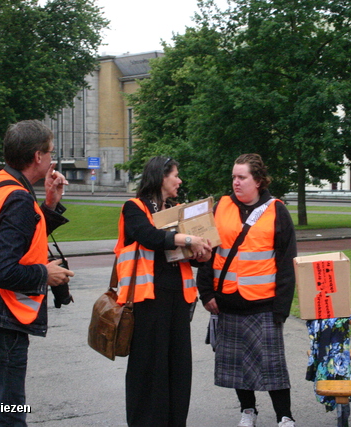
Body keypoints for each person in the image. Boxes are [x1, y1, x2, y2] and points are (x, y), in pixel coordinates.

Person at [0, 120, 74, 427]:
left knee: (2, 414)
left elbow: (21, 240)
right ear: (38, 157)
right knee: (7, 418)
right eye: (50, 152)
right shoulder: (18, 198)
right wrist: (44, 274)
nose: (52, 159)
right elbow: (5, 271)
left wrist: (50, 204)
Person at [197, 153, 297, 427]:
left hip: (263, 304)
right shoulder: (221, 206)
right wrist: (206, 293)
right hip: (226, 300)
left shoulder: (277, 210)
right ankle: (248, 411)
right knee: (237, 364)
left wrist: (281, 308)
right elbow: (207, 251)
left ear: (259, 181)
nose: (236, 182)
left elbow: (287, 264)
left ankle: (284, 416)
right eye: (233, 177)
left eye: (242, 177)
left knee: (273, 366)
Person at [117, 156, 212, 427]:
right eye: (175, 175)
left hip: (177, 301)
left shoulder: (176, 211)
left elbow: (186, 254)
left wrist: (201, 254)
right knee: (148, 367)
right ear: (161, 177)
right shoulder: (134, 208)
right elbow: (149, 236)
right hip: (147, 301)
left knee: (178, 366)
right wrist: (186, 238)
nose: (179, 180)